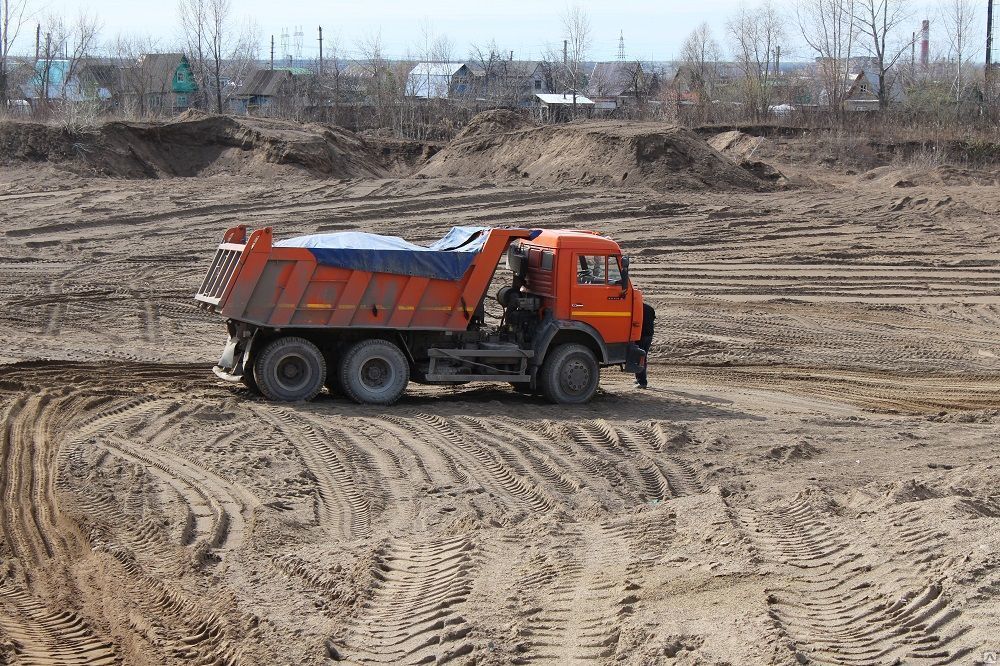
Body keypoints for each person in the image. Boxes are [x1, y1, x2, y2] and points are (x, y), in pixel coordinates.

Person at [635, 301, 655, 388]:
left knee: (640, 359)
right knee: (644, 357)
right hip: (649, 335)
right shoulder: (650, 308)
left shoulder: (636, 309)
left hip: (641, 336)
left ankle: (642, 382)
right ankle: (640, 378)